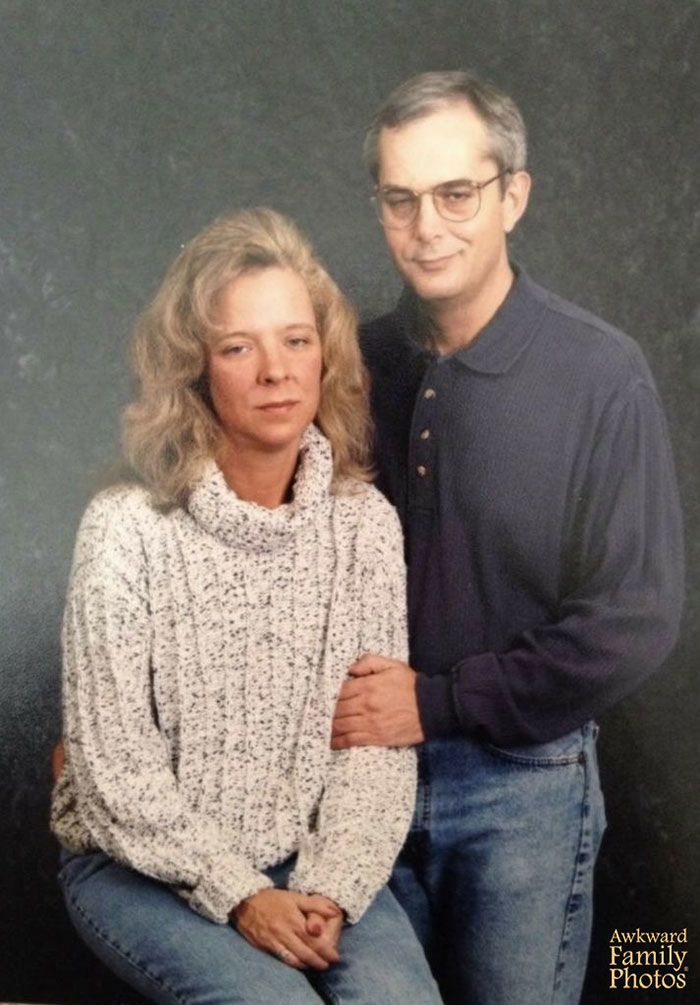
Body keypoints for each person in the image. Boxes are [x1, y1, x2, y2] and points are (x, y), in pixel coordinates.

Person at [331, 70, 684, 1004]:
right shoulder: (347, 366)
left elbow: (636, 620)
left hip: (524, 790)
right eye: (401, 200)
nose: (428, 226)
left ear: (513, 196)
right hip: (356, 785)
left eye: (457, 194)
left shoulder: (601, 373)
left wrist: (439, 703)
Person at [51, 208, 442, 1005]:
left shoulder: (362, 525)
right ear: (195, 369)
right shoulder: (126, 529)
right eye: (239, 347)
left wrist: (329, 889)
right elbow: (114, 774)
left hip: (307, 860)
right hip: (140, 865)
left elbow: (374, 751)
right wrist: (238, 892)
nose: (276, 370)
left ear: (325, 354)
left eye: (296, 340)